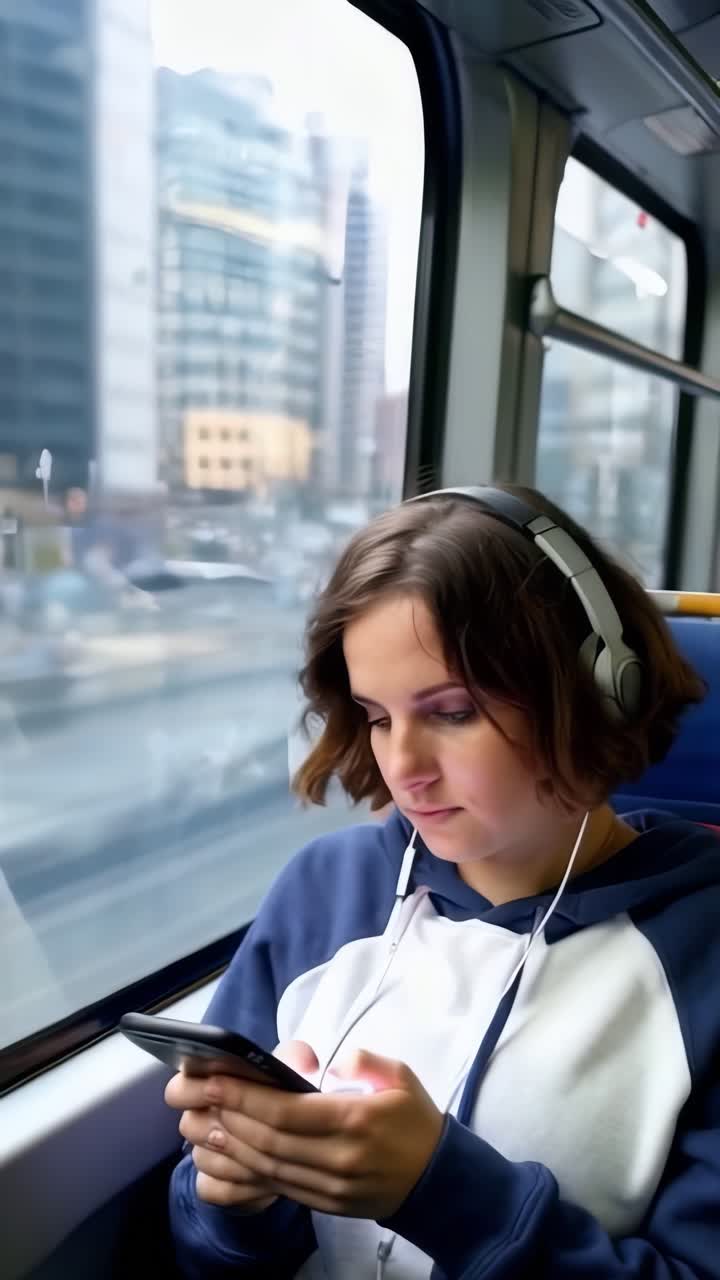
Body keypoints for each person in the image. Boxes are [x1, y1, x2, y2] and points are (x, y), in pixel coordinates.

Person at [165, 484, 720, 1280]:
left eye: (453, 712)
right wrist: (233, 1203)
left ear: (595, 691)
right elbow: (209, 1253)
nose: (403, 768)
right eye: (378, 717)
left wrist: (445, 1194)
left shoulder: (704, 948)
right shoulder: (326, 891)